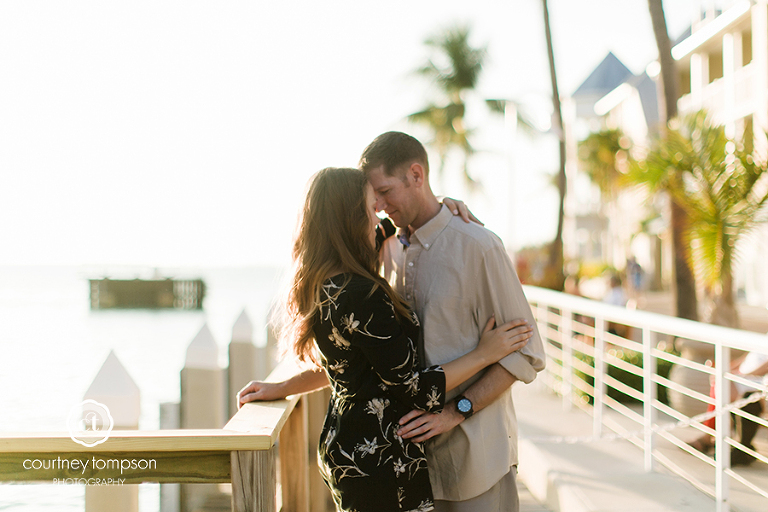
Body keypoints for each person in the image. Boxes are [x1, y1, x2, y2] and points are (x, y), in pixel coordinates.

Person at [238, 166, 534, 512]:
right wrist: (485, 353)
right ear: (352, 218)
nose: (378, 213)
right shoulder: (362, 294)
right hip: (379, 460)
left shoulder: (325, 280)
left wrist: (440, 206)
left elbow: (354, 366)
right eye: (370, 207)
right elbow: (414, 389)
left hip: (346, 444)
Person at [360, 132, 546, 512]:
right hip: (410, 464)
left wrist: (454, 412)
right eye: (372, 196)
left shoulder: (478, 246)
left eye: (385, 191)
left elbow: (526, 353)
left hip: (476, 459)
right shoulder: (387, 247)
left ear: (416, 174)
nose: (378, 205)